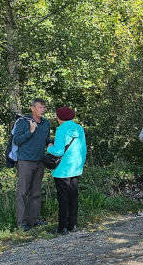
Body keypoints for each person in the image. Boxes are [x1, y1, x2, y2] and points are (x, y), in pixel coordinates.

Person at [11, 98, 52, 231]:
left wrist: (50, 143)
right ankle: (21, 223)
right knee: (22, 192)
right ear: (32, 108)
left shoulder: (46, 123)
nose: (42, 110)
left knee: (36, 192)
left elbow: (46, 139)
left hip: (40, 161)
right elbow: (16, 140)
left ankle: (33, 220)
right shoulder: (23, 121)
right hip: (25, 161)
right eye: (40, 107)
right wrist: (30, 132)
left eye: (44, 107)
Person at [47, 106, 87, 234]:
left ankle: (62, 227)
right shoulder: (79, 128)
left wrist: (49, 147)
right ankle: (72, 225)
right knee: (73, 197)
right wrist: (80, 164)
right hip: (75, 168)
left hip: (62, 170)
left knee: (63, 199)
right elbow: (84, 149)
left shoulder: (61, 129)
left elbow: (58, 151)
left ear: (59, 118)